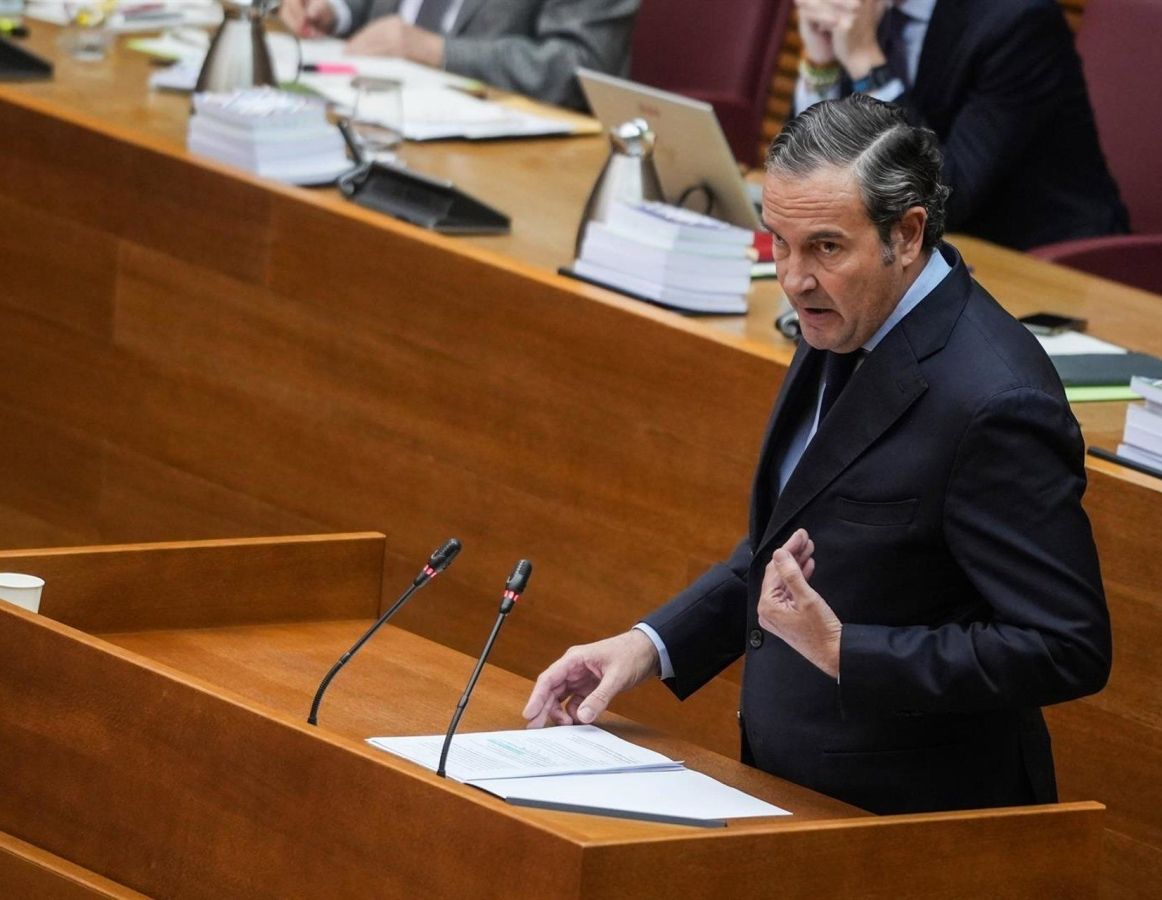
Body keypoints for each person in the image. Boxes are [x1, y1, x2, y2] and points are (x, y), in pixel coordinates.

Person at [523, 95, 1112, 815]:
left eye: (826, 247)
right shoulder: (841, 315)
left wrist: (843, 651)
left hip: (916, 823)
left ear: (907, 234)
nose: (793, 278)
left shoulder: (996, 400)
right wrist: (649, 645)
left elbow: (1065, 645)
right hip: (797, 793)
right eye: (779, 241)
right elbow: (789, 548)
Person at [792, 0, 1128, 250]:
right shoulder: (866, 10)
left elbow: (946, 199)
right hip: (919, 252)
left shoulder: (1018, 20)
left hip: (1044, 262)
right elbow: (802, 170)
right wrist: (822, 65)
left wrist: (867, 65)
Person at [279, 0, 640, 110]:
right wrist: (333, 9)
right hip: (359, 104)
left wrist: (437, 51)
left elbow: (581, 67)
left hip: (499, 155)